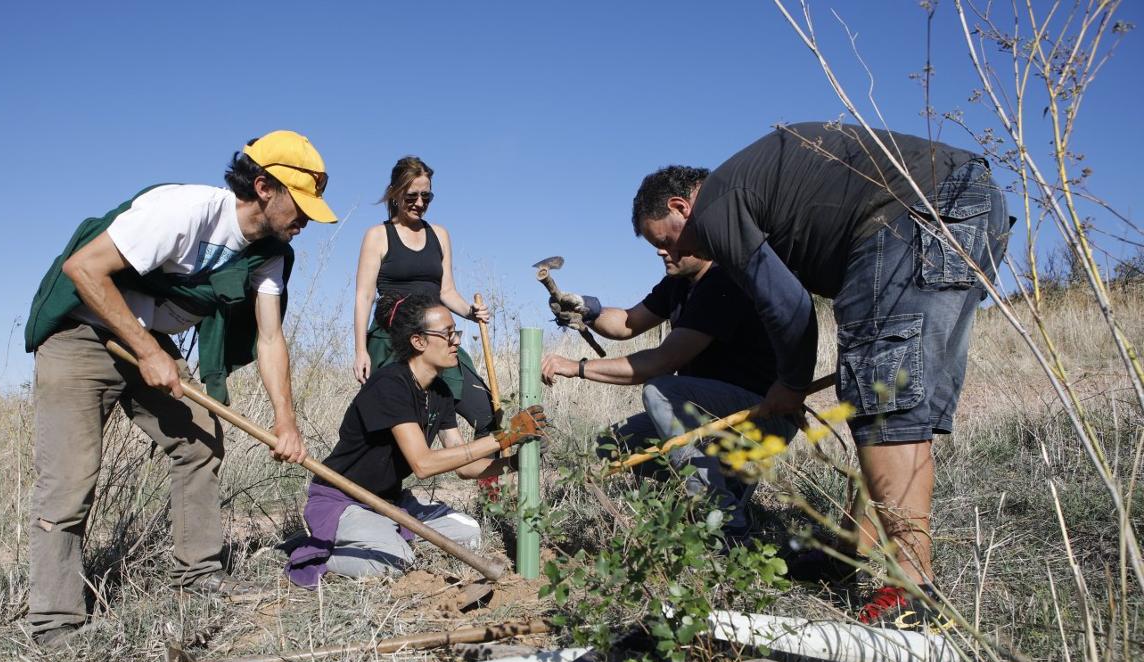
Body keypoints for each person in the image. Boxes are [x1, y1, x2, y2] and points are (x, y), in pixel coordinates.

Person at [632, 123, 1010, 627]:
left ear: (681, 207)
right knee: (892, 402)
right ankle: (850, 554)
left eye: (668, 241)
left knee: (886, 410)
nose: (671, 256)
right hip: (966, 210)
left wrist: (788, 383)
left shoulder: (717, 205)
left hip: (915, 216)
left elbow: (790, 307)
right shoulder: (752, 193)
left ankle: (911, 591)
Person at [22, 130, 337, 647]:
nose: (306, 220)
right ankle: (55, 621)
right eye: (300, 204)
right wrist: (148, 352)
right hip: (81, 334)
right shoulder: (184, 211)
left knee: (200, 441)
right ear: (264, 187)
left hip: (146, 339)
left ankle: (198, 575)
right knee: (69, 478)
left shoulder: (270, 255)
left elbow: (270, 336)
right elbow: (83, 268)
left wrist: (287, 422)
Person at [286, 294, 546, 584]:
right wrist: (505, 437)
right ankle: (313, 551)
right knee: (393, 562)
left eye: (456, 333)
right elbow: (423, 464)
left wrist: (511, 463)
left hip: (389, 503)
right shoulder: (390, 385)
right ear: (418, 341)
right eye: (447, 334)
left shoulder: (440, 393)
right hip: (345, 499)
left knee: (468, 532)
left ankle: (381, 536)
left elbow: (463, 466)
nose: (456, 342)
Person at [540, 250, 793, 537]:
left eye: (668, 241)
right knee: (612, 445)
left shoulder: (723, 282)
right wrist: (588, 309)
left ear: (701, 240)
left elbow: (661, 363)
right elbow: (627, 322)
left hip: (763, 414)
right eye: (656, 242)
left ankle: (724, 521)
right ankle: (728, 482)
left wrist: (578, 367)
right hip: (710, 418)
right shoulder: (678, 283)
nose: (661, 249)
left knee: (659, 390)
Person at [351, 156, 498, 439]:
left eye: (426, 196)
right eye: (412, 196)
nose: (420, 202)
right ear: (395, 193)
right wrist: (360, 350)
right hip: (393, 340)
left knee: (486, 413)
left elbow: (446, 291)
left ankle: (493, 483)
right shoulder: (378, 236)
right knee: (391, 432)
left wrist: (470, 311)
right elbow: (364, 296)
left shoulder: (439, 234)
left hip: (438, 337)